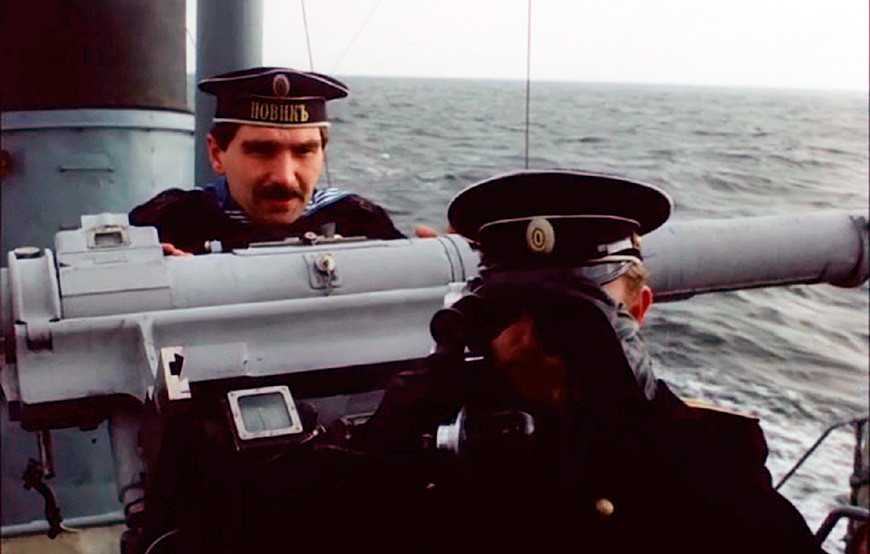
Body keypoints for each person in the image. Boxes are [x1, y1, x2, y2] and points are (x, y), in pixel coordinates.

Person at [351, 170, 826, 553]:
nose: (533, 339)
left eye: (569, 316)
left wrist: (643, 429)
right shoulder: (434, 441)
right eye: (510, 308)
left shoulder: (706, 459)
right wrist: (383, 449)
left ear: (637, 311)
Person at [130, 67, 430, 254]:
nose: (285, 177)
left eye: (304, 151)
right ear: (217, 154)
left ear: (323, 154)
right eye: (261, 151)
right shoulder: (164, 224)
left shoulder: (359, 222)